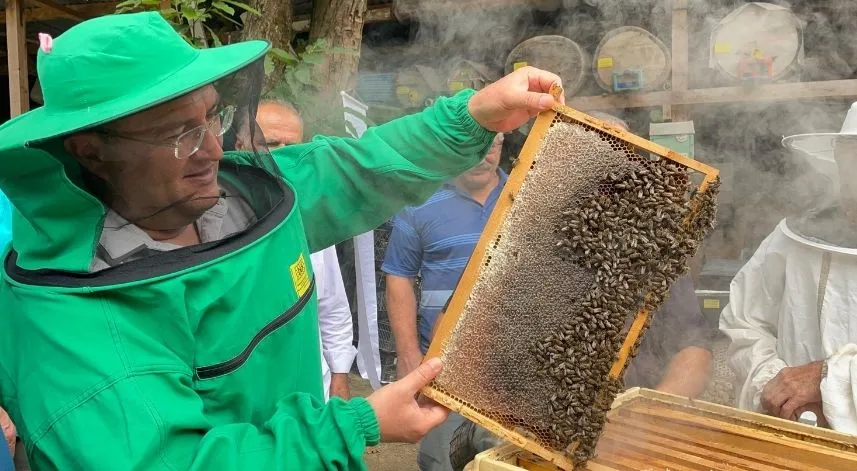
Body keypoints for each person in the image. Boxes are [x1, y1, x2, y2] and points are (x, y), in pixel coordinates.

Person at [0, 12, 563, 470]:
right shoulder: (72, 320)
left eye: (210, 120)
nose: (213, 153)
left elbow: (357, 168)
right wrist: (358, 424)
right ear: (89, 150)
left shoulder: (244, 198)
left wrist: (473, 115)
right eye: (178, 134)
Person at [721, 101, 857, 433]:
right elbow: (744, 321)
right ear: (839, 156)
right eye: (853, 153)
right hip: (795, 438)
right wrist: (775, 386)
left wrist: (830, 380)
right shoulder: (795, 237)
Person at [382, 132, 506, 471]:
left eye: (492, 145)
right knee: (443, 461)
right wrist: (409, 356)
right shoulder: (420, 203)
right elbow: (399, 277)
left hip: (517, 370)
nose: (483, 156)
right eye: (473, 147)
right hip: (444, 370)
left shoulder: (527, 193)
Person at [588, 112, 714, 398]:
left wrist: (649, 413)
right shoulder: (529, 244)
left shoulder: (654, 244)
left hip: (639, 418)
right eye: (596, 156)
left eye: (621, 156)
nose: (610, 172)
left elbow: (693, 344)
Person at [254, 98, 354, 400]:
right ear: (242, 142)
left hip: (313, 394)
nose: (285, 155)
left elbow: (332, 305)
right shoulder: (214, 220)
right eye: (273, 143)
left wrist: (339, 376)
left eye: (293, 145)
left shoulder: (308, 215)